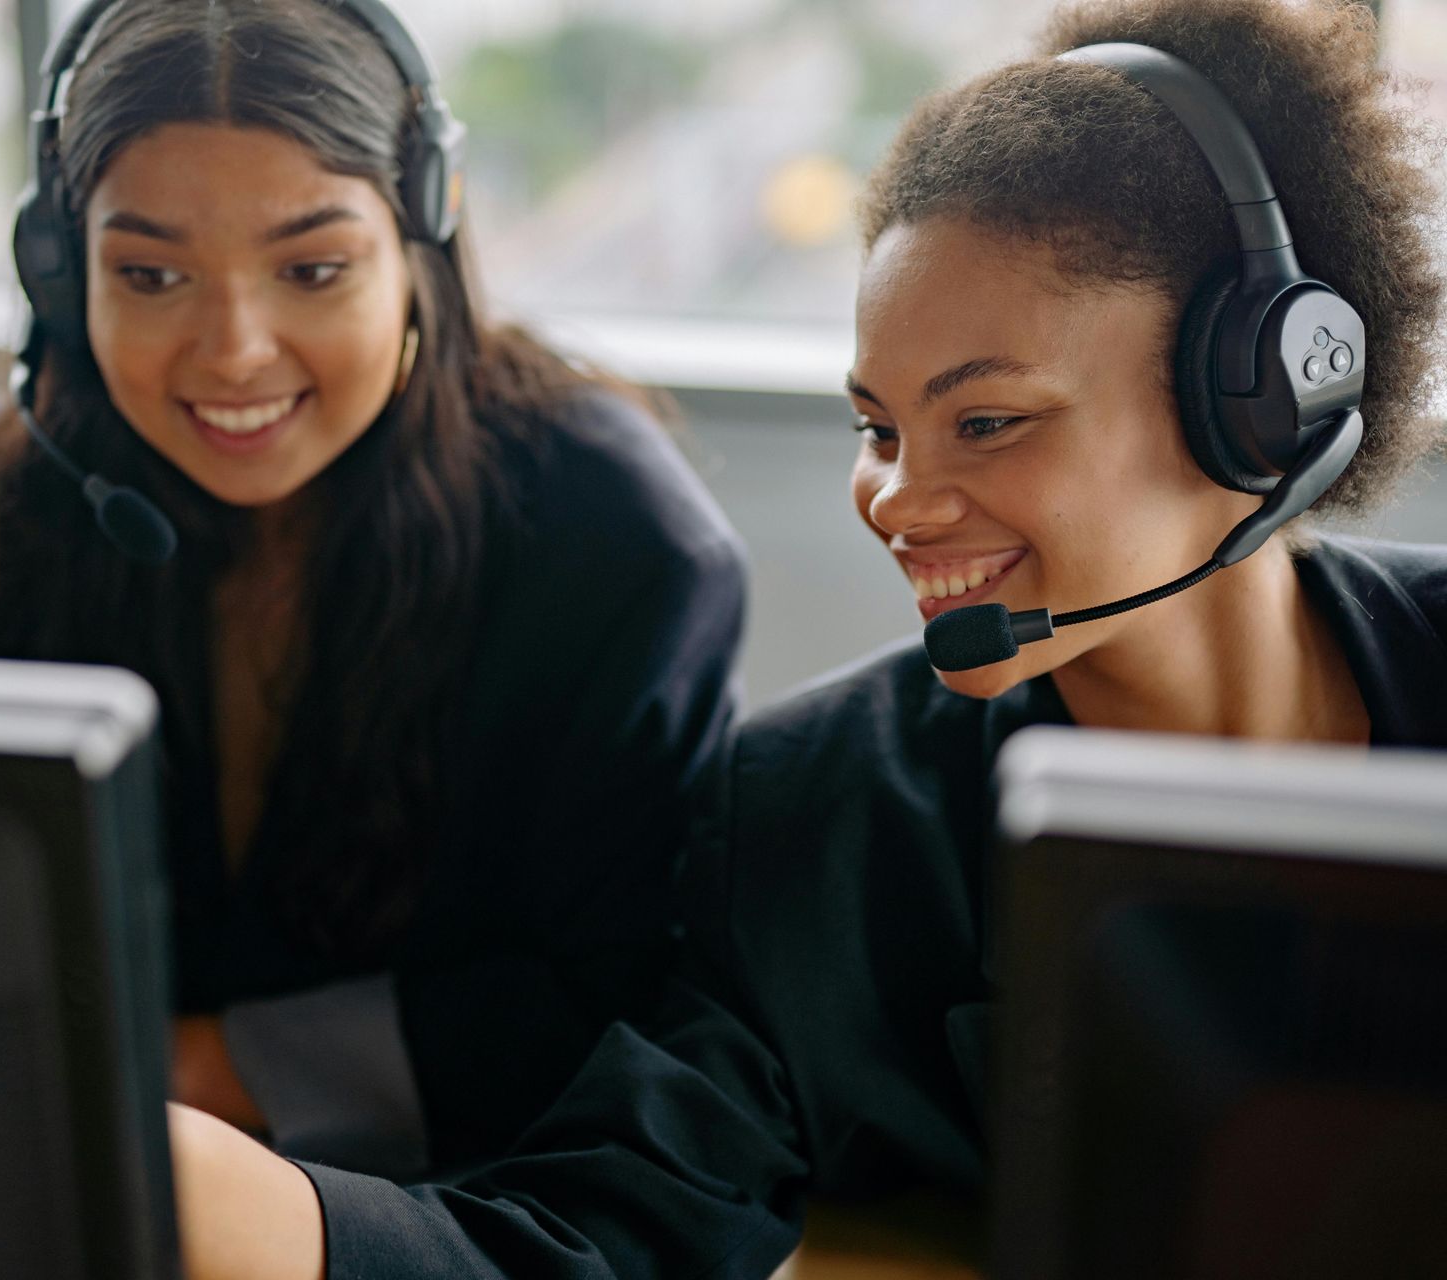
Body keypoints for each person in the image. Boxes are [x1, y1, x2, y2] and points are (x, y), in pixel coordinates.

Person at [160, 0, 1447, 1275]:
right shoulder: (811, 824)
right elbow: (609, 1235)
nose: (896, 496)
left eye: (985, 422)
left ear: (1260, 411)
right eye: (879, 430)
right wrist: (244, 1209)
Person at [0, 0, 745, 1179]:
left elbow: (628, 1000)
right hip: (28, 1180)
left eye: (311, 268)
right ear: (57, 272)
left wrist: (202, 1066)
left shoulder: (619, 544)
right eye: (150, 276)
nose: (233, 350)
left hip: (444, 1215)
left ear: (421, 236)